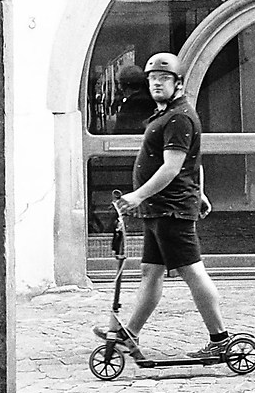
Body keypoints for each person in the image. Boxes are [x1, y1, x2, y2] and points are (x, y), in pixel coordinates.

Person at [95, 52, 235, 360]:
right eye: (152, 79)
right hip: (161, 209)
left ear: (179, 83)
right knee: (150, 271)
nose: (157, 84)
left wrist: (138, 195)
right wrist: (200, 192)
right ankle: (129, 335)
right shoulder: (167, 113)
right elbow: (194, 161)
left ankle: (220, 338)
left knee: (193, 272)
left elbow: (172, 167)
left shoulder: (179, 117)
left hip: (170, 209)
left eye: (164, 79)